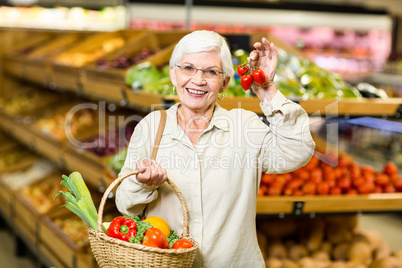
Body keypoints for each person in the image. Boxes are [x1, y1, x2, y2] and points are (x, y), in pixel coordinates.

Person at [115, 30, 315, 267]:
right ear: (173, 74)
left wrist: (269, 92)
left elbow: (297, 151)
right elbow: (124, 204)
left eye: (211, 72)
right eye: (188, 68)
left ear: (224, 83)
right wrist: (143, 184)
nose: (198, 80)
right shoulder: (151, 127)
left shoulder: (244, 126)